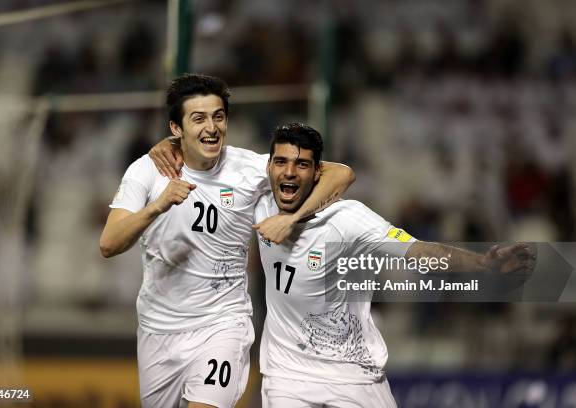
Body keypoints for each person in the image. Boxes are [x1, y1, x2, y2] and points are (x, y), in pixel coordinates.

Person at [99, 74, 355, 408]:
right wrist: (158, 206)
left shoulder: (247, 169)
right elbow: (109, 244)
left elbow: (340, 174)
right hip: (158, 331)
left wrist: (290, 218)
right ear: (175, 128)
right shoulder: (147, 171)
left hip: (222, 325)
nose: (212, 127)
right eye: (199, 118)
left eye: (218, 116)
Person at [254, 123, 536, 407]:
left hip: (353, 376)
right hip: (286, 376)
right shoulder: (260, 201)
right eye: (280, 162)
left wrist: (482, 263)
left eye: (302, 164)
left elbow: (419, 251)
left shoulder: (348, 219)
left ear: (318, 172)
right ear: (269, 167)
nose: (289, 171)